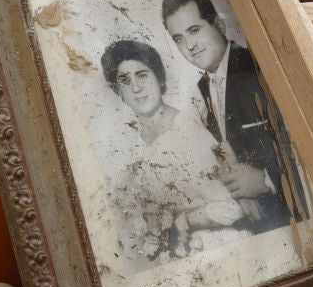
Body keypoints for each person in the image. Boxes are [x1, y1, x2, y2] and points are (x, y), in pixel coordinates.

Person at [160, 0, 300, 230]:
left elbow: (306, 144)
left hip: (298, 212)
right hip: (262, 220)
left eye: (194, 30)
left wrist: (265, 180)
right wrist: (242, 194)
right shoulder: (203, 87)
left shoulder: (258, 69)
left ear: (220, 26)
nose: (189, 46)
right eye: (179, 39)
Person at [99, 39, 249, 264]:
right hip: (178, 263)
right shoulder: (135, 150)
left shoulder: (190, 131)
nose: (136, 88)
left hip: (224, 252)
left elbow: (233, 208)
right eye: (124, 80)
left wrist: (180, 221)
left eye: (142, 75)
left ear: (159, 79)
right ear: (118, 91)